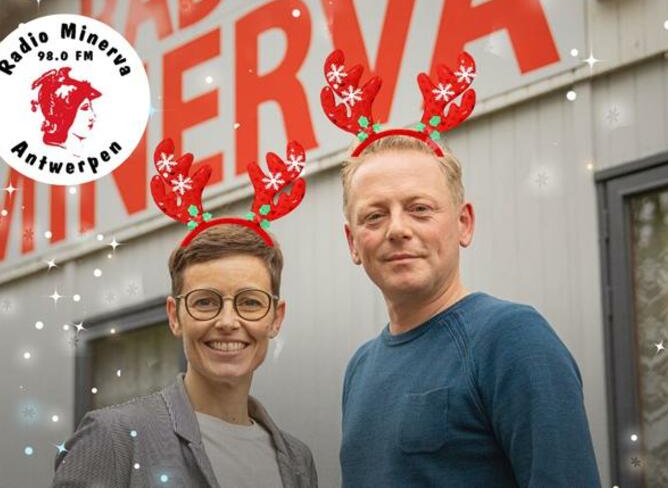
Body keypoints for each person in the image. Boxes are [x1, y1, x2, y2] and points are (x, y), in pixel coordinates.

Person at [337, 134, 602, 487]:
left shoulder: (513, 339)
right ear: (353, 243)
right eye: (374, 216)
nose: (397, 229)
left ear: (464, 223)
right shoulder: (359, 369)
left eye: (420, 209)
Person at [52, 138, 317, 487]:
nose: (227, 322)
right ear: (175, 316)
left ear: (276, 318)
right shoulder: (114, 439)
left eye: (250, 302)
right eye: (205, 302)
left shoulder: (297, 460)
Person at [31, 67, 100, 156]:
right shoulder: (53, 154)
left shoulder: (79, 152)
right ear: (62, 115)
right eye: (85, 108)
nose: (93, 117)